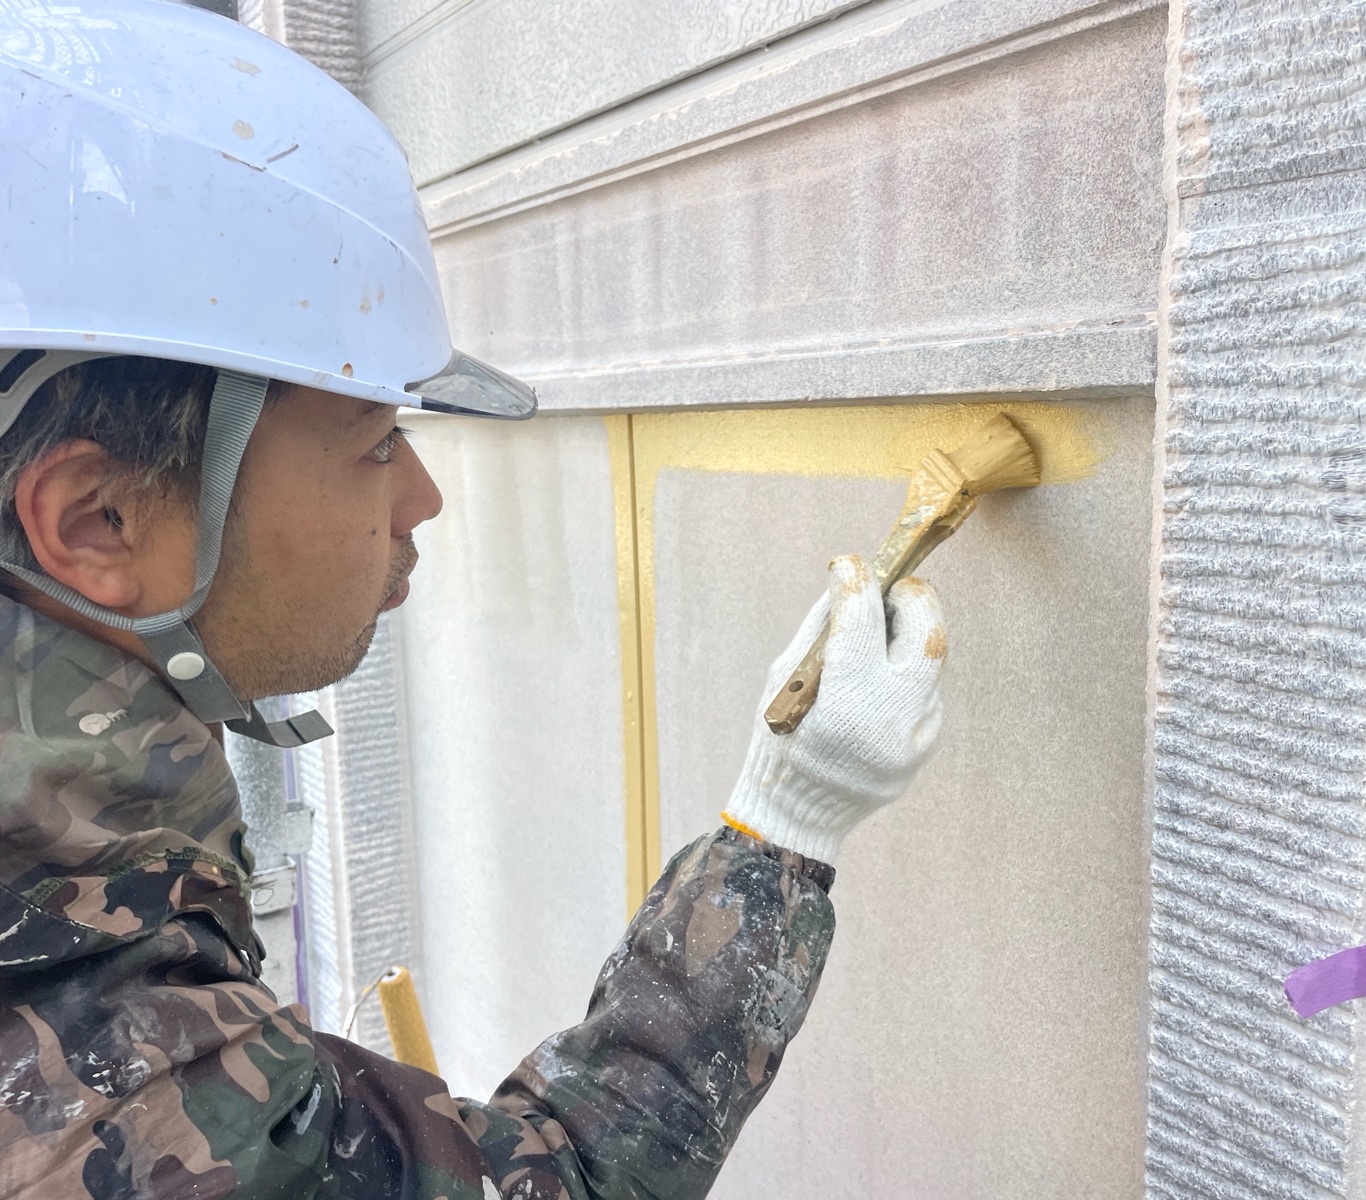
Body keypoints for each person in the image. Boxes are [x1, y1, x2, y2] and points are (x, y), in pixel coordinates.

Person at [0, 3, 947, 1198]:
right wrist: (785, 825)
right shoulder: (96, 1065)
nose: (424, 496)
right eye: (373, 442)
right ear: (100, 522)